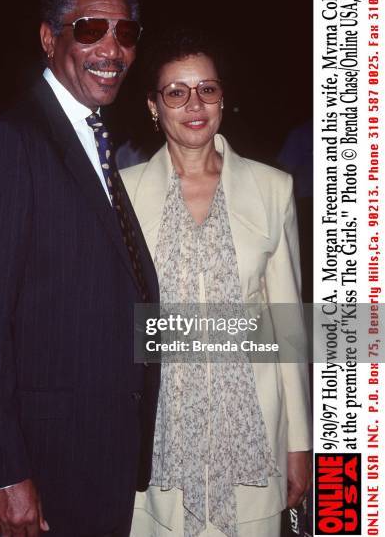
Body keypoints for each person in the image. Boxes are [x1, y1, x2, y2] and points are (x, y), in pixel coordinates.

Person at [0, 0, 160, 537]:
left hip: (104, 456)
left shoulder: (98, 142)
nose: (112, 49)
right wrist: (4, 472)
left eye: (126, 33)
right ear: (49, 39)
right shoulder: (9, 142)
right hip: (44, 466)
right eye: (91, 29)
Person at [121, 28, 312, 537]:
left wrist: (299, 441)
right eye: (176, 92)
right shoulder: (124, 195)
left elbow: (288, 327)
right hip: (159, 436)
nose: (194, 104)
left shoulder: (273, 188)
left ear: (223, 96)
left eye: (207, 88)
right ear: (153, 106)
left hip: (251, 432)